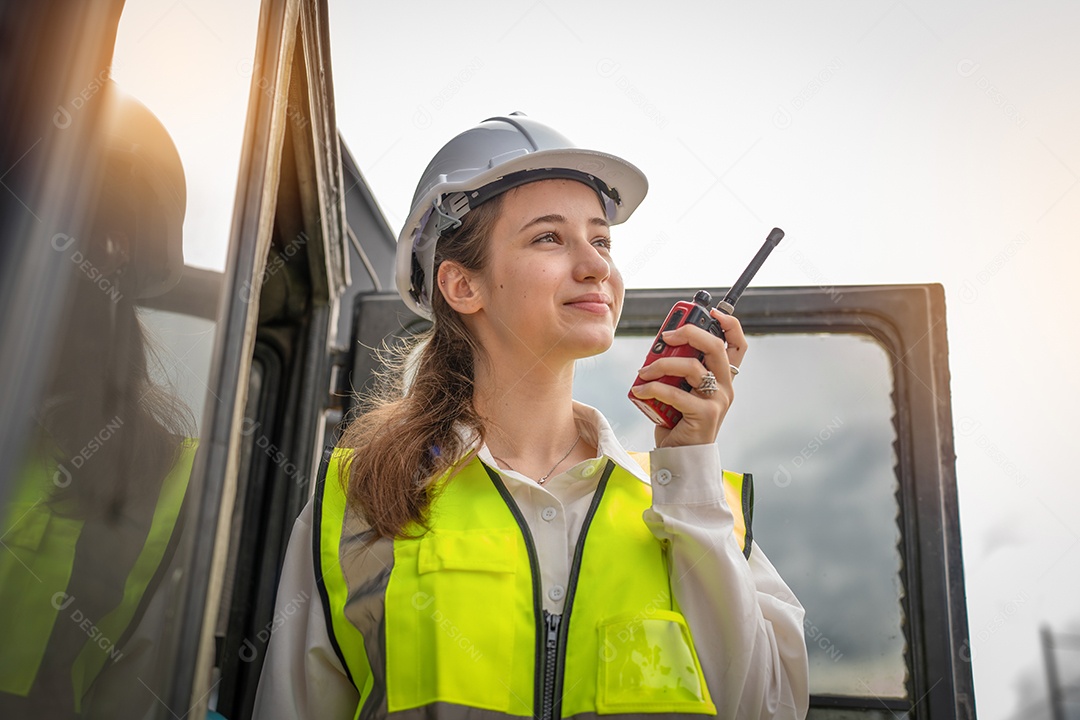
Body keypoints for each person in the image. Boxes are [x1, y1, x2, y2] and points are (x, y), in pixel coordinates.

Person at [253, 114, 809, 719]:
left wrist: (691, 468)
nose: (596, 266)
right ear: (462, 285)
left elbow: (761, 710)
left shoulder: (698, 505)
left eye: (601, 240)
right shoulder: (360, 499)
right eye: (549, 237)